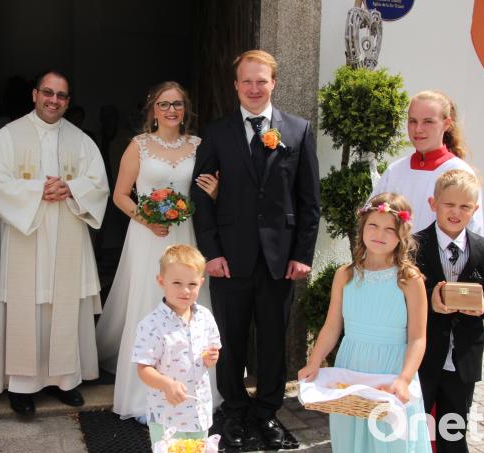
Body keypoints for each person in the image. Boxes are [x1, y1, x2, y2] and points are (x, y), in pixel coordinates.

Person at [191, 49, 321, 449]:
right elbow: (200, 197)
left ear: (273, 83)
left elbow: (308, 201)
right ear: (235, 85)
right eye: (246, 81)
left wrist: (303, 254)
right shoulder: (216, 133)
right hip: (230, 257)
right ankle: (233, 412)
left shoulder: (297, 130)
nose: (253, 87)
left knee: (272, 341)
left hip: (280, 260)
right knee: (228, 339)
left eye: (261, 80)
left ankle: (266, 414)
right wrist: (211, 253)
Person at [0, 70, 110, 415]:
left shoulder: (81, 141)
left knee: (65, 304)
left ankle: (65, 382)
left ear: (68, 101)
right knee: (25, 305)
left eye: (61, 96)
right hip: (26, 235)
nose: (54, 100)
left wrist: (71, 189)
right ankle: (21, 386)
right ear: (34, 95)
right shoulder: (8, 136)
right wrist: (37, 190)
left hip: (68, 235)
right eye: (48, 93)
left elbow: (98, 184)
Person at [95, 81, 220, 424]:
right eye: (164, 104)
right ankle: (145, 389)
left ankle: (193, 383)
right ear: (152, 109)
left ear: (185, 109)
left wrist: (215, 192)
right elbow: (121, 195)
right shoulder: (138, 146)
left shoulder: (198, 146)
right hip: (148, 235)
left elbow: (211, 185)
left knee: (190, 300)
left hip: (186, 232)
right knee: (150, 300)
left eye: (177, 104)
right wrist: (147, 219)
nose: (171, 111)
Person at [298, 192, 432, 452]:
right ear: (362, 228)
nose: (379, 234)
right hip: (353, 364)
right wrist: (314, 361)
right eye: (373, 225)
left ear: (402, 235)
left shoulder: (409, 278)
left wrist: (404, 379)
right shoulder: (345, 275)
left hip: (392, 369)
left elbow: (418, 337)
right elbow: (332, 326)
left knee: (390, 441)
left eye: (389, 229)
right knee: (352, 439)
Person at [414, 170, 484, 453]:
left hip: (463, 357)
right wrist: (430, 299)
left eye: (464, 206)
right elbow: (402, 294)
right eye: (448, 204)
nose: (456, 212)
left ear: (474, 209)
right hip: (423, 356)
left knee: (454, 429)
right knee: (415, 426)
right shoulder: (414, 246)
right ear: (433, 204)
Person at [132, 244, 221, 446]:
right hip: (167, 415)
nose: (185, 290)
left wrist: (211, 358)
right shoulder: (151, 325)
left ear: (201, 282)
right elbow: (143, 368)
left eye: (192, 284)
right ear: (161, 281)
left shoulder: (205, 317)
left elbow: (211, 354)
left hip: (199, 411)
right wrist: (167, 384)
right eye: (177, 283)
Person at [370, 90, 484, 235]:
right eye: (413, 121)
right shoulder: (395, 171)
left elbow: (473, 235)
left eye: (428, 121)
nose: (418, 129)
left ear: (446, 123)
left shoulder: (460, 172)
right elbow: (371, 221)